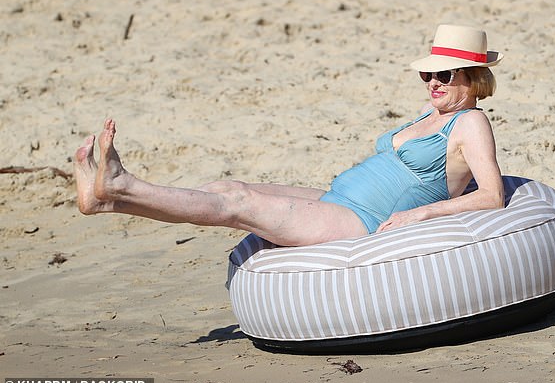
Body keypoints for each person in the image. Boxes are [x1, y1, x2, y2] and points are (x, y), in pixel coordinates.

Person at [74, 24, 505, 247]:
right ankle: (107, 201)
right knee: (228, 187)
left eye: (443, 74)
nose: (432, 82)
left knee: (237, 204)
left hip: (364, 222)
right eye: (427, 73)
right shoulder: (431, 112)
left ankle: (121, 184)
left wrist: (420, 216)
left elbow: (492, 196)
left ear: (473, 78)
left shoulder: (469, 122)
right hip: (337, 199)